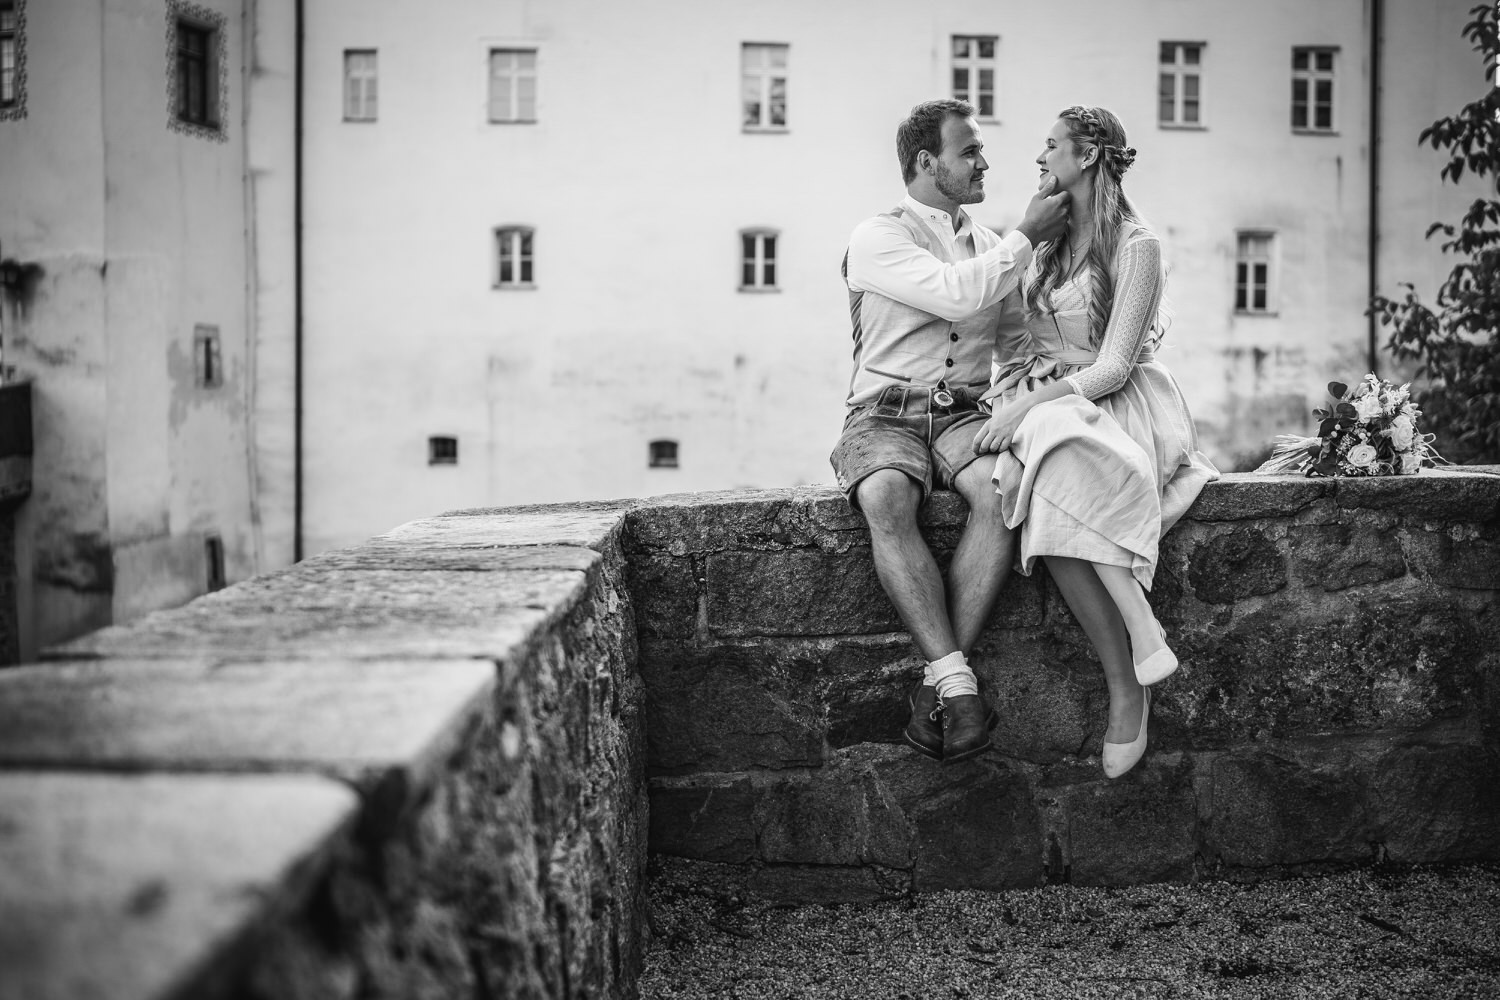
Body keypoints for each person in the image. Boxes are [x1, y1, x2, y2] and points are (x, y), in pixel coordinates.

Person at [972, 106, 1220, 778]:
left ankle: (1128, 680)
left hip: (1114, 405)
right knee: (1053, 493)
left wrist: (1030, 405)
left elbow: (1111, 369)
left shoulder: (1137, 245)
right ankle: (1134, 662)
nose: (1040, 156)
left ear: (1088, 155)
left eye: (1050, 145)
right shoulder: (1048, 244)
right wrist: (1011, 393)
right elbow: (1015, 341)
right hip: (1049, 404)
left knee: (1052, 453)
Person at [831, 99, 1070, 763]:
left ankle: (942, 682)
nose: (984, 161)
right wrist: (1027, 235)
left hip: (964, 412)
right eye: (969, 151)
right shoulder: (877, 236)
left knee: (1004, 489)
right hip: (883, 410)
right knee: (885, 496)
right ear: (926, 161)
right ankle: (957, 684)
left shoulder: (994, 247)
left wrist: (1019, 402)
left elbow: (1017, 348)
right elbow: (954, 293)